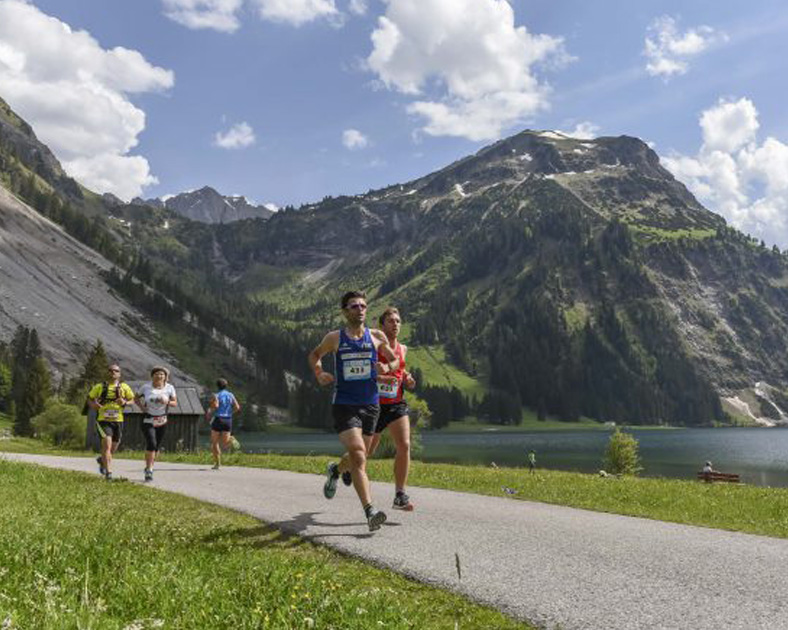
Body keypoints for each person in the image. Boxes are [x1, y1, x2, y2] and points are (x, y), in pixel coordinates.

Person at [307, 290, 399, 532]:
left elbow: (396, 361)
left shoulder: (377, 336)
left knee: (360, 457)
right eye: (354, 306)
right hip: (345, 404)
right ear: (345, 311)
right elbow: (315, 355)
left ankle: (335, 470)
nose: (360, 309)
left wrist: (387, 365)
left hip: (371, 405)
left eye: (363, 306)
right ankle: (370, 511)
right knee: (358, 454)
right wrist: (319, 373)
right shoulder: (334, 338)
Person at [367, 307, 416, 511]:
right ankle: (338, 469)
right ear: (381, 326)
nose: (395, 324)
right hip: (374, 404)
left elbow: (401, 370)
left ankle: (400, 495)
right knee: (366, 452)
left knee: (404, 445)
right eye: (390, 321)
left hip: (396, 404)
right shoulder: (373, 346)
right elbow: (365, 373)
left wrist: (408, 379)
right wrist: (380, 377)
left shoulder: (402, 348)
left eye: (397, 321)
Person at [87, 364, 134, 481]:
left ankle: (102, 460)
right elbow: (89, 398)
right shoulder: (99, 387)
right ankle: (109, 473)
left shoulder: (124, 387)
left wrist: (124, 402)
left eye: (116, 371)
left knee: (113, 448)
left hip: (118, 421)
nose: (113, 372)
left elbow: (132, 400)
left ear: (119, 374)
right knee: (107, 445)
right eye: (110, 370)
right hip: (103, 420)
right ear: (107, 373)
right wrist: (94, 405)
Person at [135, 366, 177, 481]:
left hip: (162, 420)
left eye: (162, 374)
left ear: (165, 377)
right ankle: (149, 470)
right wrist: (142, 408)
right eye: (157, 374)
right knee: (151, 444)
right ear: (152, 376)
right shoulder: (146, 387)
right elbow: (136, 398)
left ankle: (150, 465)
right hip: (148, 419)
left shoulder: (170, 388)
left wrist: (167, 401)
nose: (159, 376)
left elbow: (174, 403)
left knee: (156, 447)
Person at [205, 378, 240, 469]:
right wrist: (230, 413)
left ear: (217, 386)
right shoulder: (230, 395)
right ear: (226, 385)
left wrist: (209, 412)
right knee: (225, 443)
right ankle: (231, 439)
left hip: (218, 419)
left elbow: (215, 406)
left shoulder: (216, 395)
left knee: (214, 443)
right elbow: (237, 407)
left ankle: (218, 464)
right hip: (228, 420)